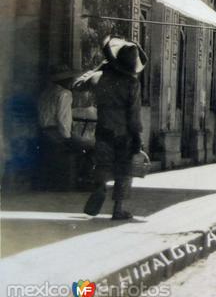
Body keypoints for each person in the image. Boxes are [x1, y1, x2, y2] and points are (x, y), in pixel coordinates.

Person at [79, 36, 147, 220]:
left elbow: (77, 84)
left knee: (102, 164)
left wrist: (97, 69)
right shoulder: (132, 83)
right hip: (124, 132)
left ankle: (100, 187)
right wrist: (138, 138)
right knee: (124, 170)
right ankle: (118, 209)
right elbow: (134, 113)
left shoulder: (100, 78)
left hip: (103, 129)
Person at [38, 64, 86, 190]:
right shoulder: (65, 94)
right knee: (87, 147)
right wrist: (67, 138)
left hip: (44, 131)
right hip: (56, 132)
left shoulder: (46, 92)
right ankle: (79, 180)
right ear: (65, 80)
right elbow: (63, 119)